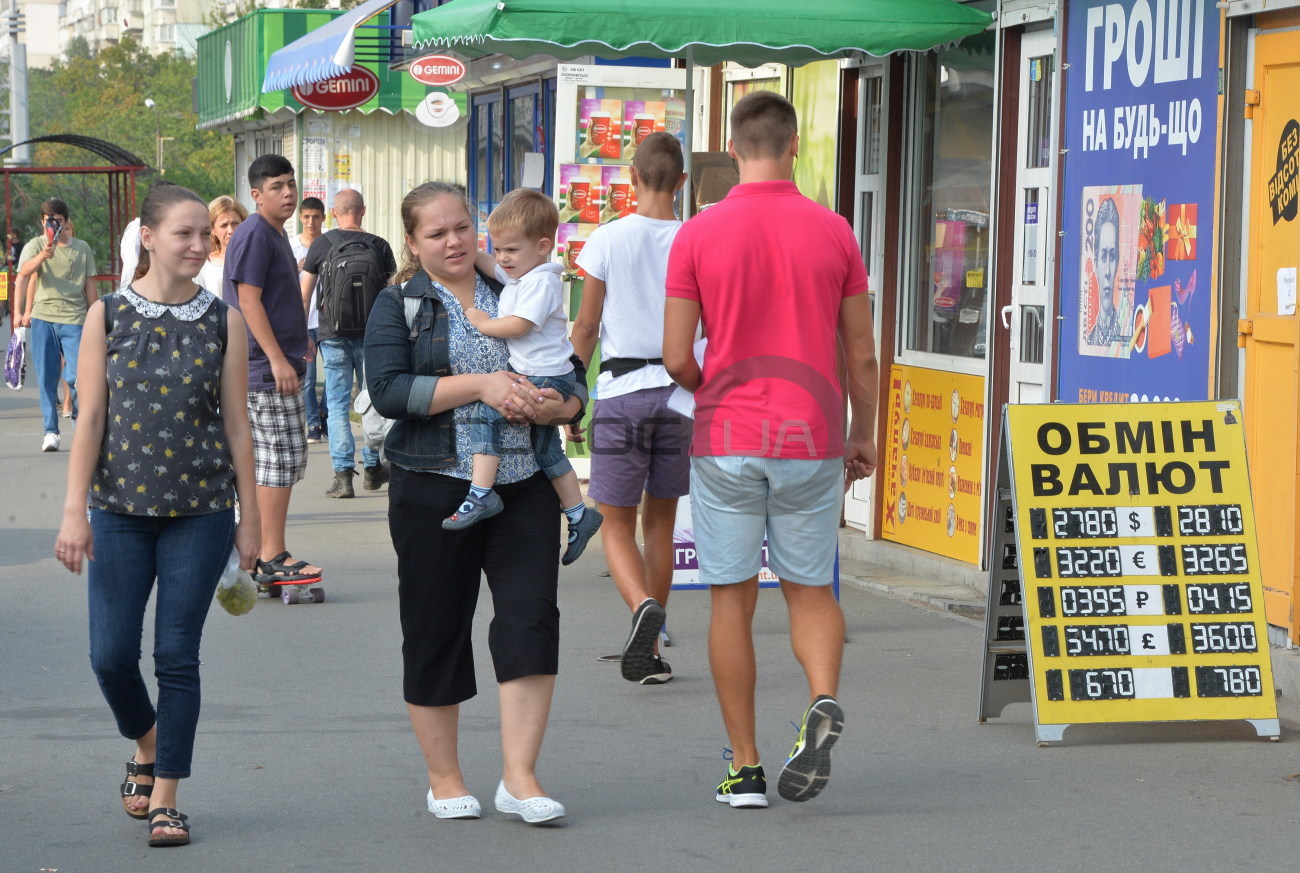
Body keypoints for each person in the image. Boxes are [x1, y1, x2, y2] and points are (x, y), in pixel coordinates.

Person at [663, 91, 878, 809]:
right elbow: (862, 354)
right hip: (812, 435)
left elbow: (673, 356)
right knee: (810, 588)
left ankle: (746, 766)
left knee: (731, 599)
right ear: (793, 147)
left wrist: (708, 381)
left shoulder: (698, 233)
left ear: (733, 150)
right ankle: (820, 698)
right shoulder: (835, 232)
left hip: (727, 436)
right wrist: (864, 431)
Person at [366, 181, 589, 824]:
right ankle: (445, 776)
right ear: (413, 242)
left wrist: (563, 404)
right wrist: (483, 385)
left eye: (462, 226)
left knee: (529, 620)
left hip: (524, 486)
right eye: (436, 233)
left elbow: (569, 371)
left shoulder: (517, 281)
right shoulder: (400, 303)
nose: (454, 240)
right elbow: (387, 390)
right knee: (436, 627)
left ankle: (519, 777)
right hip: (434, 485)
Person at [53, 182, 259, 848]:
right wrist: (73, 512)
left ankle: (168, 794)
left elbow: (236, 426)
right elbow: (89, 421)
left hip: (199, 512)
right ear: (149, 237)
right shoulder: (107, 316)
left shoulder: (223, 319)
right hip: (116, 511)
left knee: (177, 654)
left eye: (207, 235)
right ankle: (146, 741)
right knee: (110, 655)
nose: (200, 245)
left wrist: (250, 520)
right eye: (185, 234)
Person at [570, 132, 690, 684]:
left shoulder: (607, 239)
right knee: (660, 521)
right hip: (681, 395)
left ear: (633, 180)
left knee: (615, 523)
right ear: (682, 183)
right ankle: (655, 650)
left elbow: (588, 325)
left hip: (621, 394)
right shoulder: (696, 239)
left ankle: (641, 606)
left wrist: (572, 391)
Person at [450, 188, 603, 565]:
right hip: (547, 374)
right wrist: (471, 252)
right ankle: (579, 513)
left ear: (543, 246)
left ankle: (481, 491)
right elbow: (490, 265)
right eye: (498, 248)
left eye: (511, 250)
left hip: (547, 377)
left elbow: (519, 326)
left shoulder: (542, 282)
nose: (503, 258)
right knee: (546, 448)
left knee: (488, 414)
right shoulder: (523, 271)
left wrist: (483, 322)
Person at [221, 155, 322, 585]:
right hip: (263, 369)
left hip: (280, 361)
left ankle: (265, 551)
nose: (287, 192)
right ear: (256, 195)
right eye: (277, 186)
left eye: (290, 184)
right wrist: (278, 357)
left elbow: (279, 300)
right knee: (278, 462)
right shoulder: (255, 234)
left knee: (283, 461)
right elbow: (247, 300)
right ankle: (270, 554)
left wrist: (301, 340)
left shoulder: (275, 233)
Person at [299, 189, 396, 496]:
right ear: (363, 211)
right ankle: (371, 468)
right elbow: (394, 293)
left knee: (338, 404)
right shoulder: (380, 246)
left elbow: (304, 294)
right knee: (372, 401)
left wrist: (303, 334)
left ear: (332, 213)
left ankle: (343, 476)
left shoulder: (321, 245)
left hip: (332, 334)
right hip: (374, 336)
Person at [17, 198, 97, 452]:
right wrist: (43, 254)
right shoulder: (36, 245)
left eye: (58, 221)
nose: (53, 226)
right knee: (46, 378)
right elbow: (24, 274)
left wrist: (97, 317)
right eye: (48, 221)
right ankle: (51, 431)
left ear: (66, 220)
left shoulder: (82, 248)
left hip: (74, 318)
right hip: (43, 317)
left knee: (76, 375)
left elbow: (90, 285)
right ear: (42, 222)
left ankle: (77, 417)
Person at [292, 196, 328, 444]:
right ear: (300, 218)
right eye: (306, 217)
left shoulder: (329, 244)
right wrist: (296, 267)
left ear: (324, 218)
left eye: (316, 216)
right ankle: (313, 425)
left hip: (329, 320)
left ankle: (325, 414)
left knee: (336, 376)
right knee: (307, 377)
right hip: (302, 320)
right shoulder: (292, 246)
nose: (311, 221)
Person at [1086, 196, 1121, 348]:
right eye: (1103, 256)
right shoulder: (1090, 339)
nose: (1107, 271)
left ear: (1118, 262)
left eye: (1112, 257)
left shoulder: (1124, 333)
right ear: (1095, 264)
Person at [198, 195, 247, 296]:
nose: (231, 231)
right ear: (212, 230)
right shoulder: (203, 265)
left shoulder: (254, 258)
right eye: (224, 225)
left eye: (235, 223)